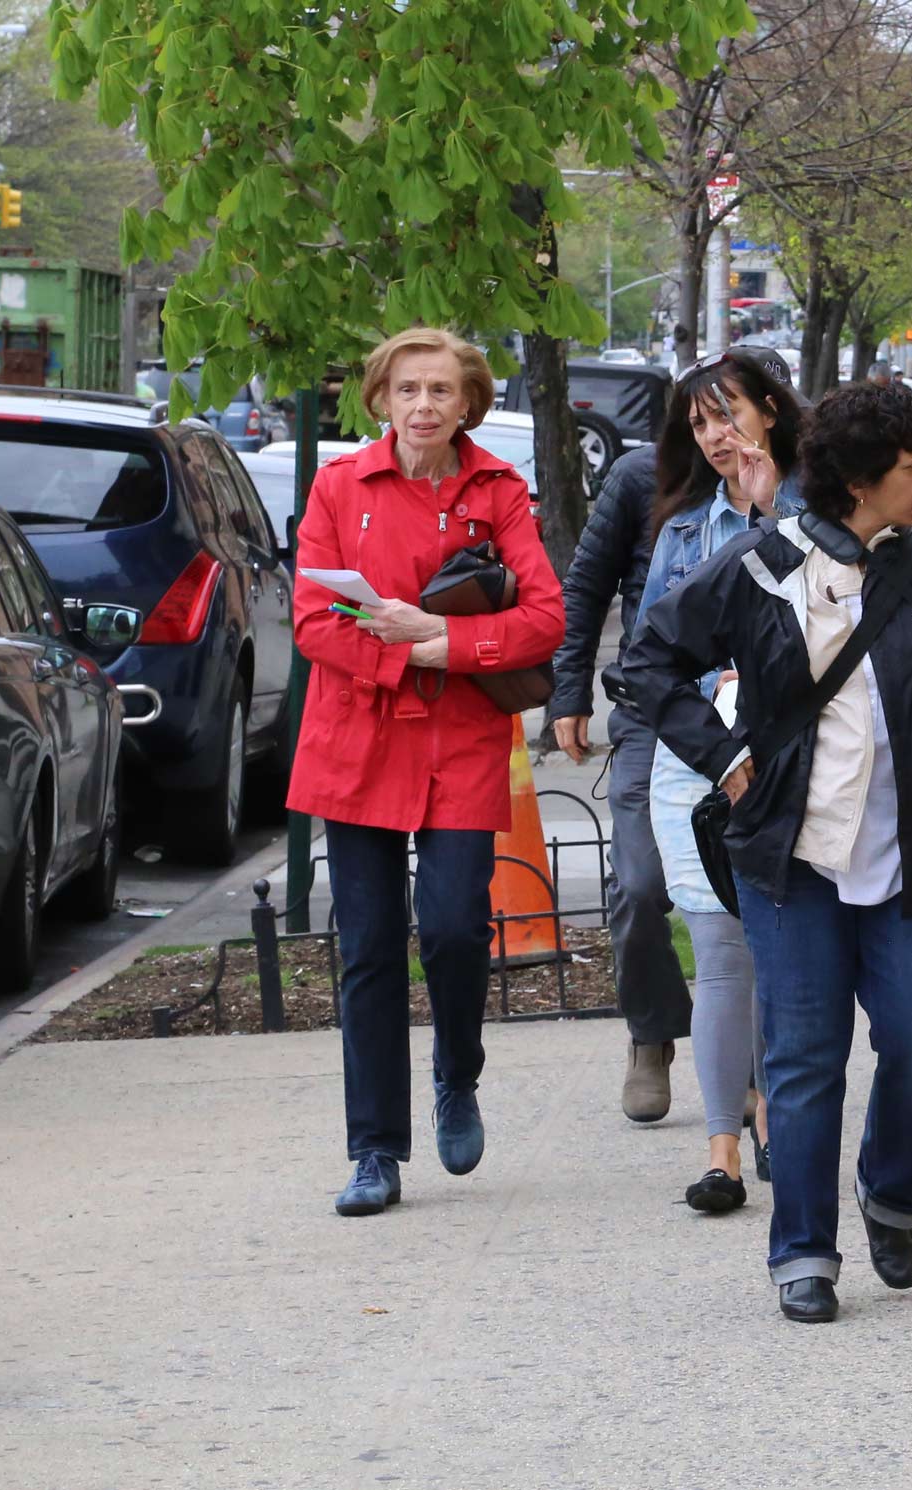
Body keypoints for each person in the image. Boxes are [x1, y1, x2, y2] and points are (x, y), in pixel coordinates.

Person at [618, 381, 912, 1323]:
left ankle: (890, 1191)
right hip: (791, 860)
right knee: (806, 1057)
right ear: (855, 482)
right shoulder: (761, 565)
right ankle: (803, 1252)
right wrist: (726, 759)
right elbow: (646, 663)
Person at [288, 327, 566, 1217]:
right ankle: (373, 1149)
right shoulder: (339, 485)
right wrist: (410, 656)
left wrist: (445, 642)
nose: (422, 406)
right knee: (367, 950)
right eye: (407, 389)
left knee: (451, 928)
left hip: (460, 740)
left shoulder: (499, 490)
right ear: (380, 399)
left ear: (467, 404)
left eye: (441, 390)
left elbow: (545, 619)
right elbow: (313, 619)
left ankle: (457, 1074)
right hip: (358, 739)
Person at [635, 351, 808, 1211]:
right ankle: (722, 1152)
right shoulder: (679, 532)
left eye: (727, 413)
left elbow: (836, 605)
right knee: (717, 953)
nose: (715, 435)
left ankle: (780, 1116)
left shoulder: (820, 508)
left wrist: (777, 504)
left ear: (770, 411)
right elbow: (649, 660)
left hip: (796, 761)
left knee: (781, 951)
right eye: (700, 422)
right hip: (697, 763)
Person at [546, 437, 695, 1125]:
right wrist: (568, 692)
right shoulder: (643, 474)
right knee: (638, 885)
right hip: (650, 709)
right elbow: (586, 585)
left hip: (759, 713)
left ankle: (754, 1056)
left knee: (755, 897)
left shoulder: (794, 476)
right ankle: (650, 1031)